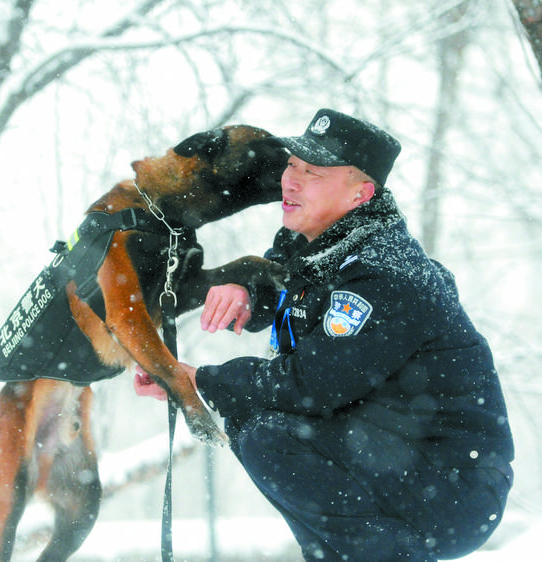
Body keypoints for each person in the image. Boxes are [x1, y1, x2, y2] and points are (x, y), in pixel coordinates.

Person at [134, 109, 514, 561]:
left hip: (450, 488)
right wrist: (245, 289)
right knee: (255, 423)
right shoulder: (322, 242)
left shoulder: (386, 275)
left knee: (268, 429)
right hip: (393, 459)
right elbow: (285, 282)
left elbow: (308, 385)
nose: (289, 181)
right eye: (292, 165)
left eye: (312, 172)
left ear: (361, 193)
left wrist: (196, 379)